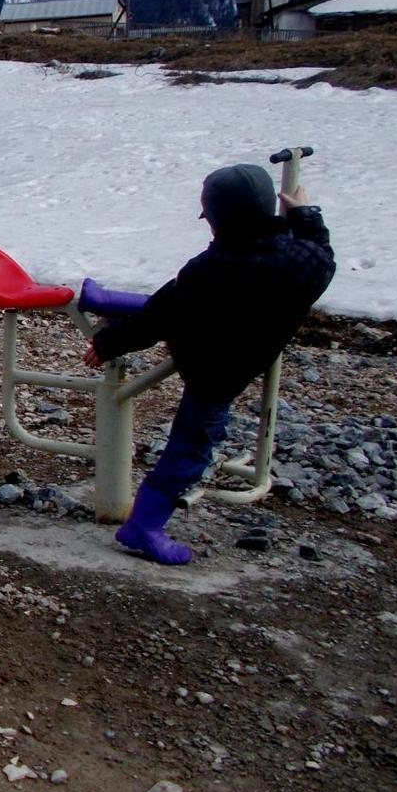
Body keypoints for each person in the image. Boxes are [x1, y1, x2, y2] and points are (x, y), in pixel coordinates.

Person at [81, 163, 335, 564]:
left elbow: (162, 315)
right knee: (192, 446)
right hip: (225, 360)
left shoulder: (209, 269)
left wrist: (111, 341)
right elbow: (321, 251)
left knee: (191, 445)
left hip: (208, 365)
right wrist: (304, 215)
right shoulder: (300, 263)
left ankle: (142, 525)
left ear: (215, 222)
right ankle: (141, 526)